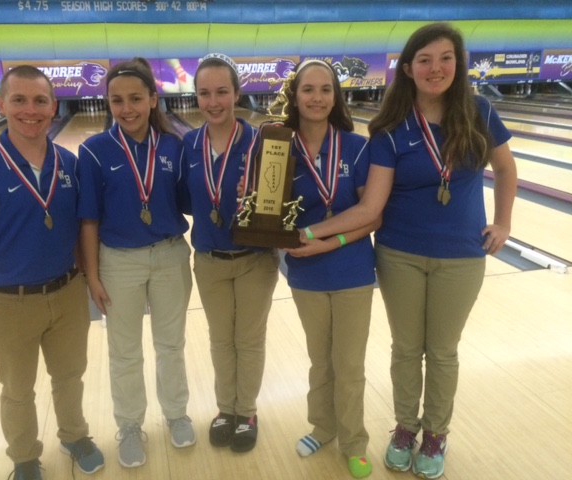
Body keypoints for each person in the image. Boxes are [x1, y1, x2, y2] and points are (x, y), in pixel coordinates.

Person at [301, 23, 517, 479]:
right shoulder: (391, 128)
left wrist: (504, 222)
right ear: (408, 69)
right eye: (424, 59)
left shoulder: (479, 110)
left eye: (444, 58)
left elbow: (505, 166)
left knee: (442, 351)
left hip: (461, 253)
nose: (435, 68)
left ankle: (435, 434)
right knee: (405, 348)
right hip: (399, 252)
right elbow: (372, 205)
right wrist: (313, 234)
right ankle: (404, 428)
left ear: (457, 64)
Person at [0, 65, 104, 480]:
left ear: (54, 107)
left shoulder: (69, 164)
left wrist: (89, 279)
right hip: (9, 302)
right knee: (18, 391)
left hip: (66, 292)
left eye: (40, 100)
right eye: (18, 100)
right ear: (1, 104)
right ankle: (24, 458)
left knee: (70, 376)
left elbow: (79, 231)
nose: (30, 110)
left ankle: (74, 435)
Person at [78, 58, 194, 468]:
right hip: (118, 262)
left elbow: (187, 201)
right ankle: (129, 425)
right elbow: (88, 220)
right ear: (107, 102)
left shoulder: (174, 146)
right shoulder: (93, 151)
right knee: (124, 351)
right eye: (116, 100)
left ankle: (176, 412)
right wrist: (92, 276)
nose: (126, 108)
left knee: (171, 345)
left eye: (135, 99)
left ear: (152, 99)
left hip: (169, 255)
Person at [278, 59, 380, 479]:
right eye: (308, 89)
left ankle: (354, 441)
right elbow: (270, 212)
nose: (317, 97)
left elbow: (372, 216)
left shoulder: (356, 147)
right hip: (306, 274)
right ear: (295, 96)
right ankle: (322, 427)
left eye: (325, 89)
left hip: (353, 270)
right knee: (320, 360)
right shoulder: (279, 149)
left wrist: (329, 240)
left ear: (335, 96)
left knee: (349, 365)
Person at [182, 53, 279, 453]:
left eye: (222, 91)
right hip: (208, 260)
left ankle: (247, 411)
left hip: (255, 259)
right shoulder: (188, 143)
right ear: (196, 97)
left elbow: (282, 203)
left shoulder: (265, 144)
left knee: (249, 339)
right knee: (221, 339)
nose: (214, 101)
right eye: (205, 93)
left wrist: (259, 203)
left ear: (237, 93)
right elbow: (183, 201)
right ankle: (226, 409)